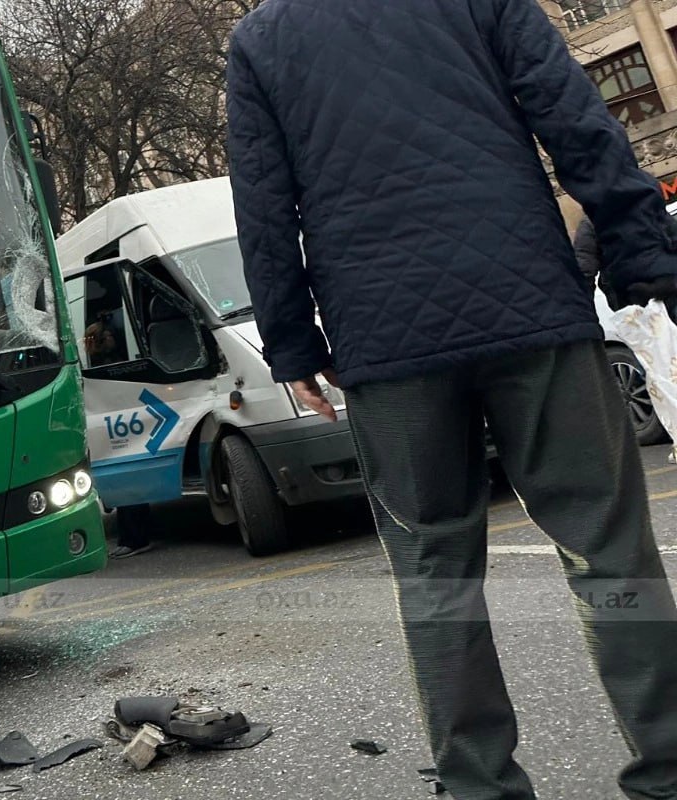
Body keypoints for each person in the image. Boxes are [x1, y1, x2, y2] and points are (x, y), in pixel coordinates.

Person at [226, 2, 677, 799]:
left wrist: (292, 339)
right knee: (609, 547)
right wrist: (639, 242)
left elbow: (264, 204)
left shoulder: (264, 37)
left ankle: (479, 784)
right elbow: (572, 115)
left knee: (435, 570)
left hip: (385, 340)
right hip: (530, 307)